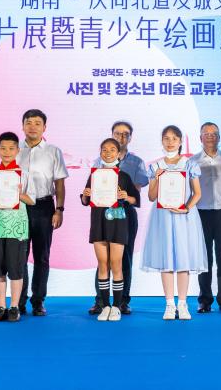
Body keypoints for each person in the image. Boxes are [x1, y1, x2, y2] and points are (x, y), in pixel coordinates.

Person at [141, 125, 208, 320]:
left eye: (174, 138)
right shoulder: (156, 166)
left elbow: (197, 193)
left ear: (180, 142)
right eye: (166, 138)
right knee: (167, 259)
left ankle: (183, 303)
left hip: (184, 217)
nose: (170, 142)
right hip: (162, 217)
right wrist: (156, 179)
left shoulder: (189, 164)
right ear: (162, 141)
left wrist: (186, 208)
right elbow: (151, 196)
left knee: (183, 259)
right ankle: (170, 304)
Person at [88, 121, 148, 316]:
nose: (121, 137)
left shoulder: (136, 162)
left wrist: (124, 197)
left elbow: (136, 191)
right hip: (102, 214)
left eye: (125, 134)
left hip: (125, 213)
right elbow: (92, 190)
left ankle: (122, 302)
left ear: (130, 138)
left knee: (124, 257)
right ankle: (101, 301)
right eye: (117, 133)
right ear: (111, 134)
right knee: (103, 259)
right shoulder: (98, 162)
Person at [81, 138, 140, 321]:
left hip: (118, 224)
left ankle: (116, 306)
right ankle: (105, 306)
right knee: (102, 264)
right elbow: (85, 200)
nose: (108, 153)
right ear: (100, 153)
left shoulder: (124, 176)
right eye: (104, 150)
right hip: (98, 223)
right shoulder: (94, 175)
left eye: (112, 149)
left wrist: (126, 196)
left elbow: (135, 200)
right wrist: (85, 195)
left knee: (116, 264)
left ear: (118, 153)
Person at [17, 109, 69, 316]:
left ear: (44, 127)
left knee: (42, 256)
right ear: (23, 126)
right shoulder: (14, 149)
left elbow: (60, 184)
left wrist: (59, 209)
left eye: (37, 123)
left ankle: (38, 301)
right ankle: (18, 301)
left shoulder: (53, 151)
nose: (33, 127)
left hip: (44, 207)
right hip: (19, 208)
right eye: (29, 122)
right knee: (19, 257)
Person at [0, 132, 35, 323]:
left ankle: (14, 307)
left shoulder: (24, 175)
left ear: (18, 150)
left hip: (17, 228)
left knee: (16, 269)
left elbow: (32, 199)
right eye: (3, 148)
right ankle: (1, 307)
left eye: (11, 148)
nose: (7, 152)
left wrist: (19, 194)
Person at [190, 122, 221, 314]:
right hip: (201, 213)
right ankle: (205, 300)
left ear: (219, 137)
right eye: (206, 133)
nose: (210, 136)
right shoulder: (192, 161)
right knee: (204, 259)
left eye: (214, 133)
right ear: (200, 138)